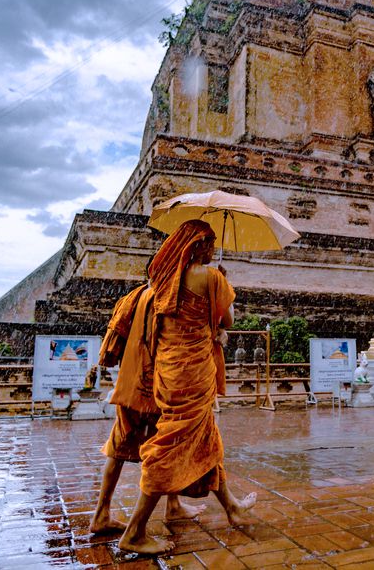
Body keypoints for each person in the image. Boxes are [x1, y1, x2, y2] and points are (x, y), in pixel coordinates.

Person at [119, 220, 256, 554]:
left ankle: (232, 507)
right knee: (169, 446)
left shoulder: (164, 280)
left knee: (203, 437)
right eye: (208, 243)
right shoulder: (209, 278)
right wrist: (222, 283)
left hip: (168, 371)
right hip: (193, 374)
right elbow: (228, 321)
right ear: (197, 246)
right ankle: (135, 531)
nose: (212, 249)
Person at [90, 267, 204, 534]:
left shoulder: (135, 296)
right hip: (151, 386)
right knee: (167, 447)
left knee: (117, 450)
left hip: (128, 383)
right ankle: (143, 524)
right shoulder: (163, 298)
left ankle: (102, 513)